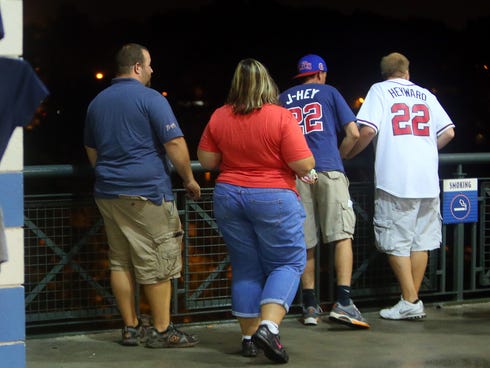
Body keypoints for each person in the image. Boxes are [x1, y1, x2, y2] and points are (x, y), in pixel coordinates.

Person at [197, 58, 316, 363]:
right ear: (267, 84)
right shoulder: (280, 117)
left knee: (246, 265)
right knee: (288, 262)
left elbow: (208, 162)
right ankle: (269, 327)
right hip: (274, 196)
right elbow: (303, 164)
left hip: (228, 196)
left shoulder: (219, 116)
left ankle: (249, 339)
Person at [84, 43, 201, 347]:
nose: (152, 70)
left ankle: (130, 327)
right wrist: (189, 178)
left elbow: (91, 148)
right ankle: (162, 331)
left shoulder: (97, 102)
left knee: (120, 261)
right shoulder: (150, 99)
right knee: (158, 261)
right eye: (149, 65)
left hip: (108, 192)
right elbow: (174, 143)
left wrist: (108, 173)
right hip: (146, 193)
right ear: (137, 67)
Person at [346, 52, 455, 320]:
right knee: (421, 242)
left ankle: (410, 300)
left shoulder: (379, 90)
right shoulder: (426, 94)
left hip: (396, 178)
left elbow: (368, 130)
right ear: (407, 73)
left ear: (385, 74)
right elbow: (449, 132)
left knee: (395, 243)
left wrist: (350, 154)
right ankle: (411, 301)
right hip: (427, 179)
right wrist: (425, 149)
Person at [279, 54, 370, 329]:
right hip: (329, 169)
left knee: (306, 239)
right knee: (341, 235)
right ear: (321, 74)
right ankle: (343, 302)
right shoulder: (329, 91)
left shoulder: (283, 98)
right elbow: (353, 133)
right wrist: (341, 158)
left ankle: (309, 305)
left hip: (297, 174)